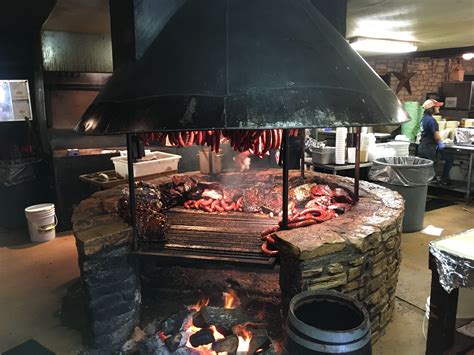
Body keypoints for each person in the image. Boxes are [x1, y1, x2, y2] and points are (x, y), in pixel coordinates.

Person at [417, 99, 454, 186]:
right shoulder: (432, 120)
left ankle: (433, 179)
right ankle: (444, 180)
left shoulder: (423, 119)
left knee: (429, 166)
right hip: (430, 149)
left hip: (423, 147)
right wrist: (440, 143)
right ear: (431, 108)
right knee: (449, 158)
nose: (439, 108)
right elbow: (436, 137)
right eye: (437, 106)